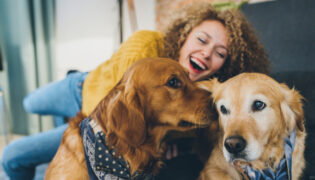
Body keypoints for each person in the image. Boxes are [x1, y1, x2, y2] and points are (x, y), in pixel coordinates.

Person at [1, 3, 269, 180]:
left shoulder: (201, 93)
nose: (207, 53)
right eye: (201, 40)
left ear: (226, 64)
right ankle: (70, 79)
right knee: (28, 103)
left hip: (114, 114)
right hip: (87, 90)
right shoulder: (146, 45)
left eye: (220, 53)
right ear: (185, 34)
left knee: (16, 158)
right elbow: (107, 112)